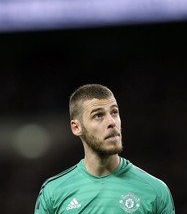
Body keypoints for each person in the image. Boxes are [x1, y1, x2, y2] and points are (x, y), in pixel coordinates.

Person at [34, 83, 176, 214]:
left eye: (114, 112)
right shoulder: (54, 192)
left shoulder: (155, 191)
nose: (111, 122)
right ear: (76, 127)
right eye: (98, 115)